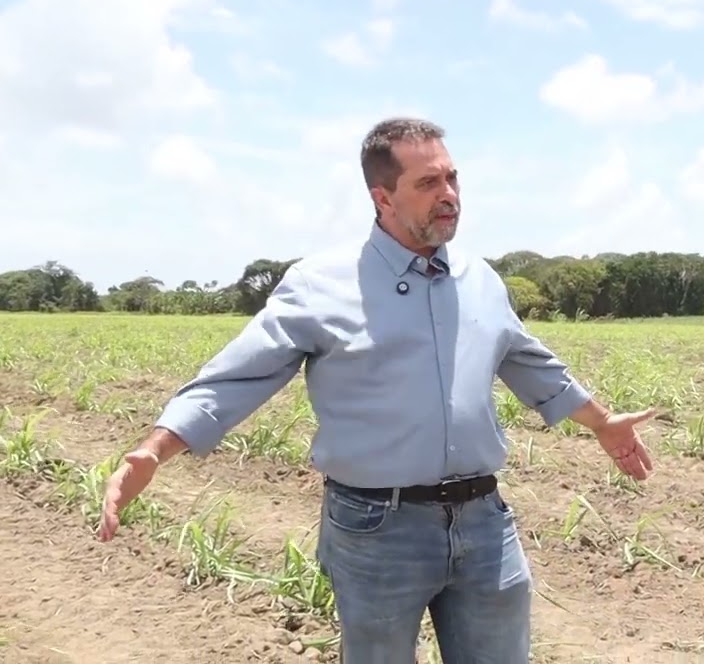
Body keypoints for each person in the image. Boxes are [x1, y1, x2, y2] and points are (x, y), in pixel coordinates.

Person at [96, 117, 657, 664]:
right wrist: (154, 449)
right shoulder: (322, 284)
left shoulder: (480, 278)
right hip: (376, 530)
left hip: (485, 523)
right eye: (428, 183)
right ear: (382, 197)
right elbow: (237, 376)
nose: (450, 195)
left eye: (452, 178)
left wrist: (602, 422)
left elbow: (533, 365)